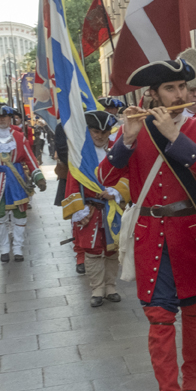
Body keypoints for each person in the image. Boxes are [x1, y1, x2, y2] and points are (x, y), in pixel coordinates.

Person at [100, 58, 196, 391]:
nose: (181, 94)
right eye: (171, 89)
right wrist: (130, 138)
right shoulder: (135, 129)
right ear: (153, 95)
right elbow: (105, 176)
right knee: (159, 318)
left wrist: (175, 138)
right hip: (152, 235)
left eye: (183, 87)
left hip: (192, 232)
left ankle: (193, 381)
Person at [63, 110, 130, 307]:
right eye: (95, 131)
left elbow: (128, 174)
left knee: (112, 250)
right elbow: (73, 182)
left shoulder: (117, 150)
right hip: (90, 210)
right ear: (88, 131)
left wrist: (117, 191)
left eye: (105, 131)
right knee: (92, 250)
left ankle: (111, 287)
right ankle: (97, 289)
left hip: (113, 208)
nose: (100, 136)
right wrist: (78, 209)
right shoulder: (79, 153)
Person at [0, 105, 46, 262]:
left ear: (10, 118)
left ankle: (18, 248)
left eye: (5, 117)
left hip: (17, 180)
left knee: (19, 214)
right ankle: (4, 248)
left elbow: (30, 158)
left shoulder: (19, 137)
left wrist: (38, 177)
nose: (2, 120)